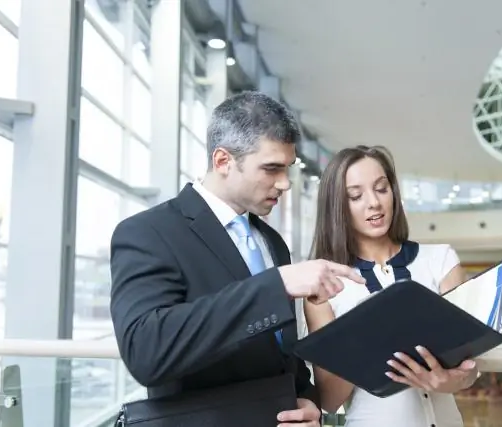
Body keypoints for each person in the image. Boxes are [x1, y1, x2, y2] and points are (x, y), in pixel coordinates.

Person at [109, 91, 365, 426]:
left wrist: (308, 400)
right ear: (223, 161)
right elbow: (146, 351)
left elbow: (280, 354)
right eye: (271, 169)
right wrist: (277, 285)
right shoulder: (148, 232)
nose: (285, 183)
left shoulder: (272, 242)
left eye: (287, 168)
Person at [303, 145, 480, 427]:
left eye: (381, 188)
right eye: (356, 196)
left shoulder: (441, 260)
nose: (374, 203)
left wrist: (446, 381)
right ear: (337, 206)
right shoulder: (325, 286)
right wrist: (360, 336)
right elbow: (330, 399)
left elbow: (469, 371)